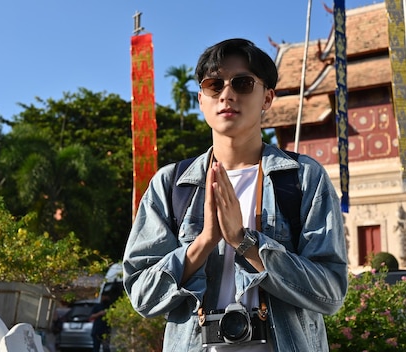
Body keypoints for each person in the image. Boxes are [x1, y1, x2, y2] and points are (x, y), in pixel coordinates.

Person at [123, 38, 348, 352]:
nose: (227, 94)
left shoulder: (302, 178)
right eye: (214, 85)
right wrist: (203, 243)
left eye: (243, 83)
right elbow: (143, 297)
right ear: (202, 99)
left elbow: (331, 293)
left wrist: (245, 242)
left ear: (268, 97)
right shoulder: (172, 184)